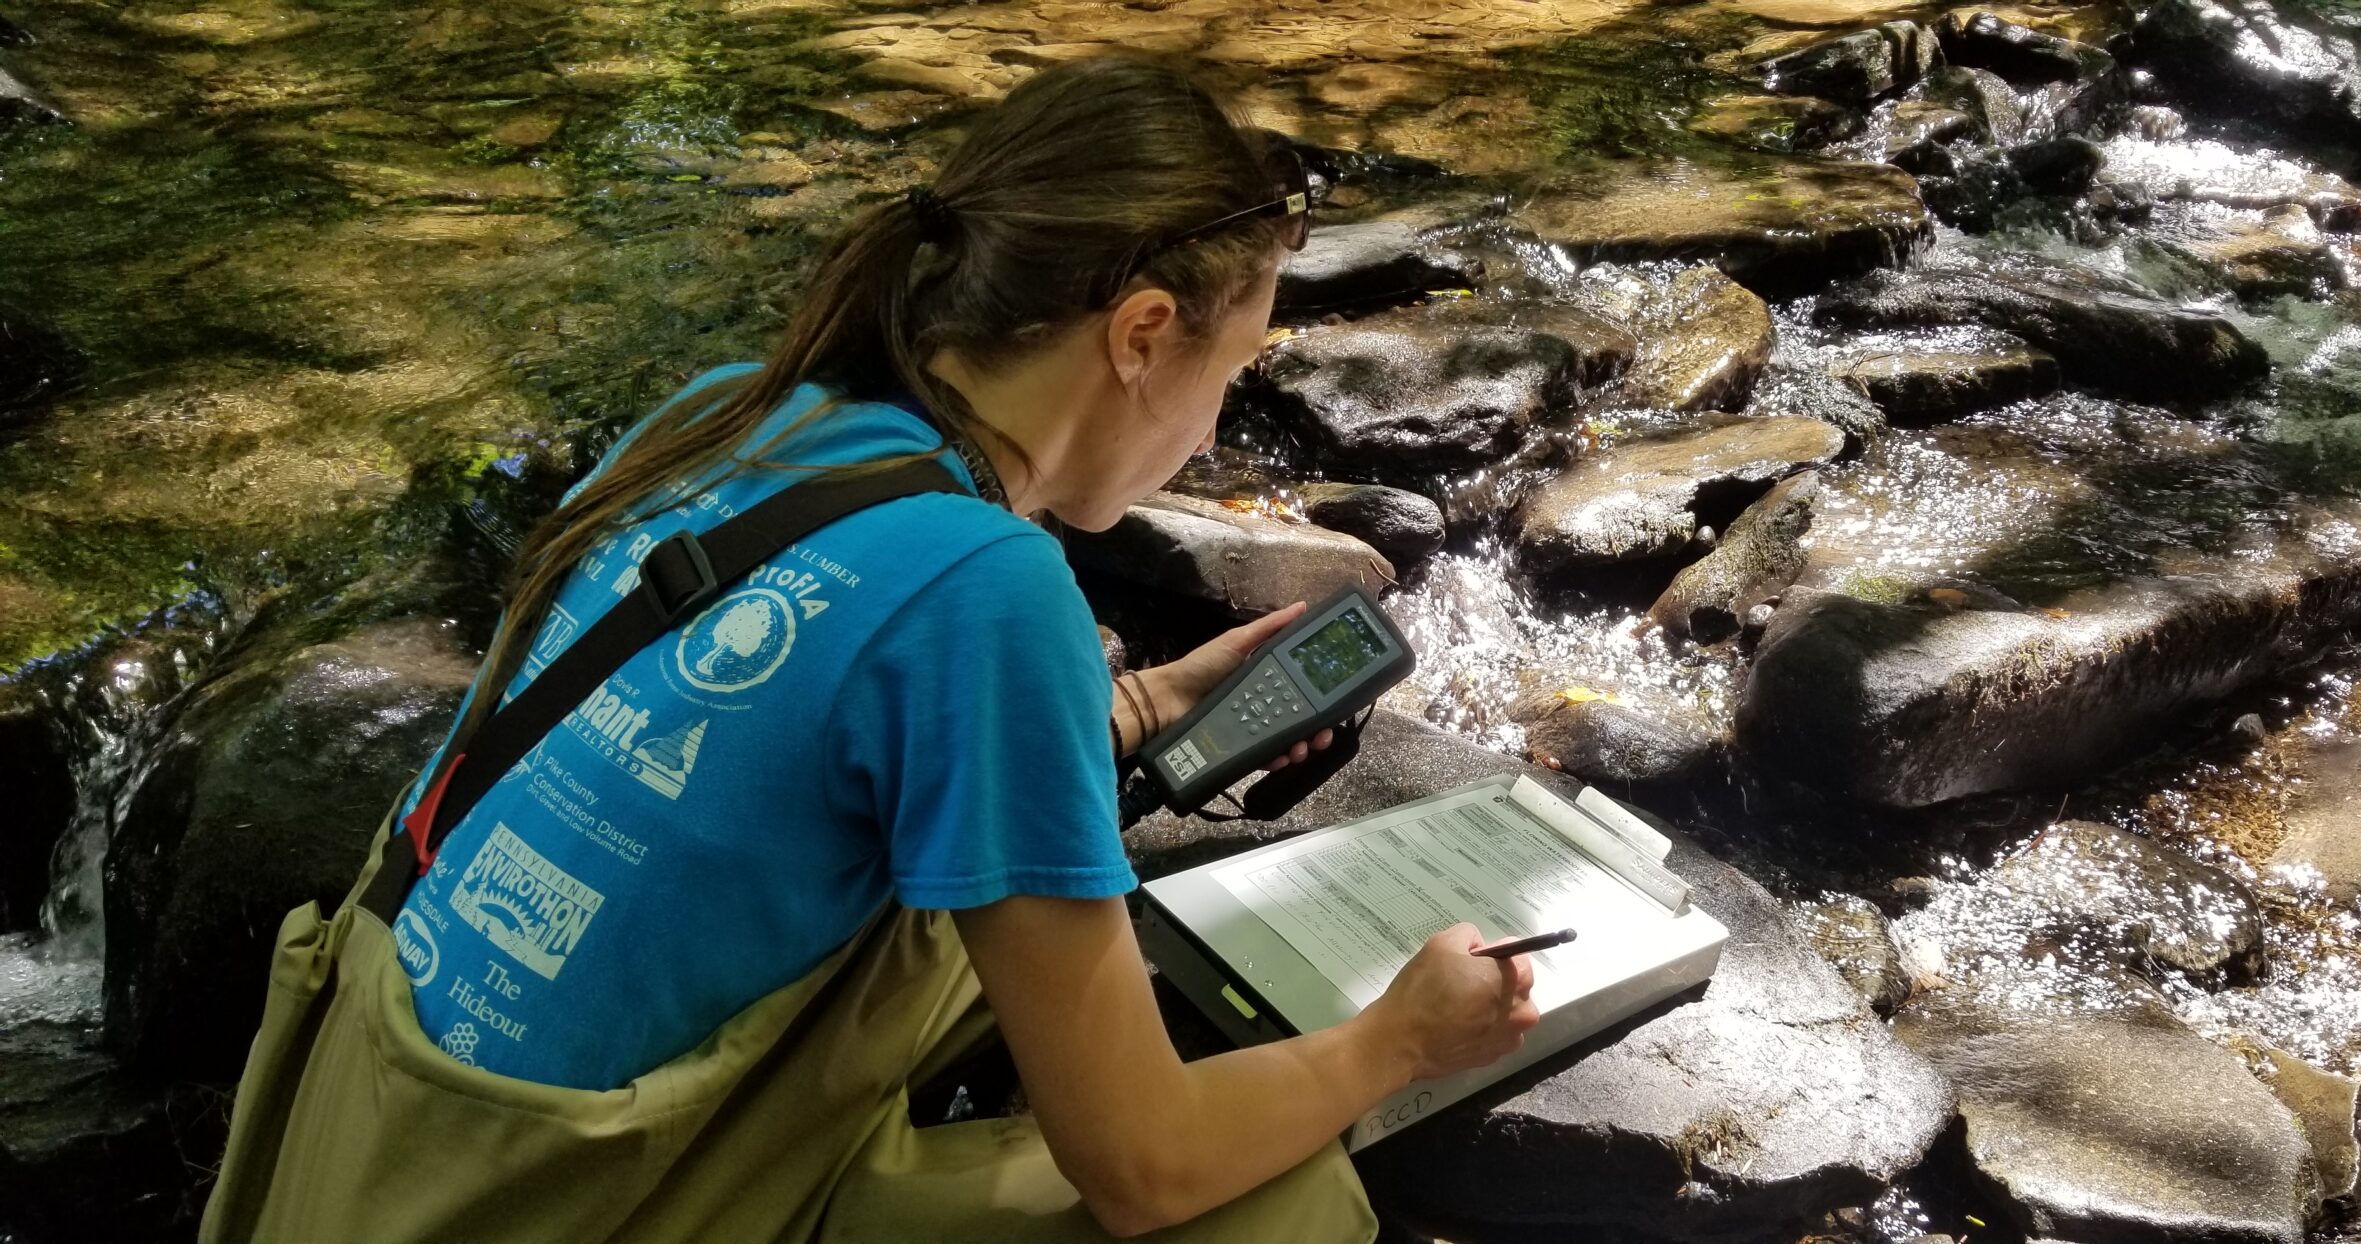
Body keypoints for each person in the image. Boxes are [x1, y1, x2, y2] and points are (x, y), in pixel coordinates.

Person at [202, 54, 1538, 1244]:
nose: (1209, 429)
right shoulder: (993, 588)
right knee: (1282, 1209)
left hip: (369, 1143)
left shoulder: (732, 415)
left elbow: (795, 741)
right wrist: (1396, 1040)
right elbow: (1145, 1166)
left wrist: (1130, 714)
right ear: (1140, 335)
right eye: (1228, 373)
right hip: (575, 1201)